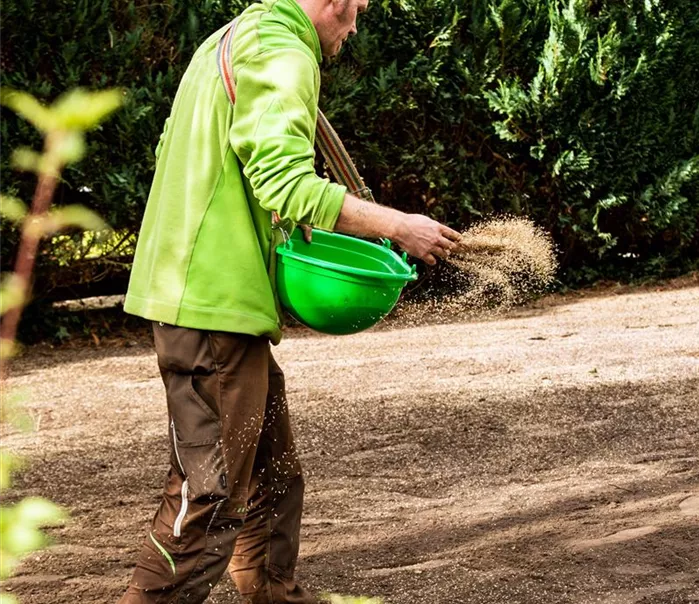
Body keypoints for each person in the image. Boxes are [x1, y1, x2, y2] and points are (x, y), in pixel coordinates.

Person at [120, 0, 461, 602]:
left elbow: (207, 161)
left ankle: (273, 595)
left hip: (212, 298)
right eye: (355, 10)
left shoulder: (231, 39)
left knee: (272, 477)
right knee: (214, 489)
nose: (354, 27)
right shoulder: (282, 50)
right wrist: (397, 226)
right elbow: (286, 183)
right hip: (208, 305)